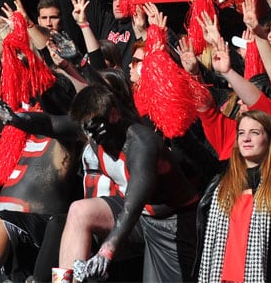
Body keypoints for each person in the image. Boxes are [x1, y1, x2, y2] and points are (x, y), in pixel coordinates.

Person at [195, 29, 271, 282]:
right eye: (242, 133)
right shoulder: (220, 181)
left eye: (255, 132)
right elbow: (203, 117)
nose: (246, 138)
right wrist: (193, 73)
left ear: (269, 138)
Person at [55, 84, 199, 282]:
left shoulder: (142, 144)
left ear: (114, 115)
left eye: (95, 127)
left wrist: (106, 251)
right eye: (86, 129)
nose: (91, 136)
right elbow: (49, 123)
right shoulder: (94, 131)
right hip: (141, 218)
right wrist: (15, 119)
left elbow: (133, 206)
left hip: (173, 223)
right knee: (79, 211)